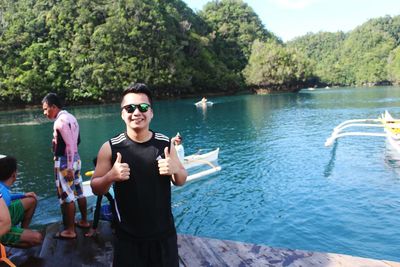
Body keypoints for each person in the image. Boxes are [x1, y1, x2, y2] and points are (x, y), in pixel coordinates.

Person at [91, 83, 187, 266]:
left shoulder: (165, 144)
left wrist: (175, 169)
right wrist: (110, 176)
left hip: (163, 236)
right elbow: (96, 187)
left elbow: (181, 179)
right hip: (127, 239)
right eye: (129, 108)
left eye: (143, 107)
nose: (136, 113)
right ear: (122, 114)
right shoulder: (110, 148)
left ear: (151, 113)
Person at [42, 93, 90, 239]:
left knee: (67, 196)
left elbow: (69, 146)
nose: (44, 113)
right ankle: (83, 220)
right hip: (76, 160)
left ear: (54, 107)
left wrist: (68, 167)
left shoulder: (60, 122)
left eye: (46, 109)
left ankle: (70, 230)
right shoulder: (72, 118)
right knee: (79, 191)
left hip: (65, 162)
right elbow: (77, 141)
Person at [0, 155, 43, 248]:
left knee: (31, 200)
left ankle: (23, 230)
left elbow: (5, 198)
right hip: (2, 226)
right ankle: (4, 242)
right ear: (14, 175)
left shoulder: (2, 188)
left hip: (6, 214)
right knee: (37, 238)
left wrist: (23, 195)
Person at [85, 157, 116, 238]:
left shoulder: (103, 183)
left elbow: (98, 206)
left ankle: (115, 226)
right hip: (121, 209)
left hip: (117, 212)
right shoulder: (114, 175)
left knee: (95, 209)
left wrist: (94, 228)